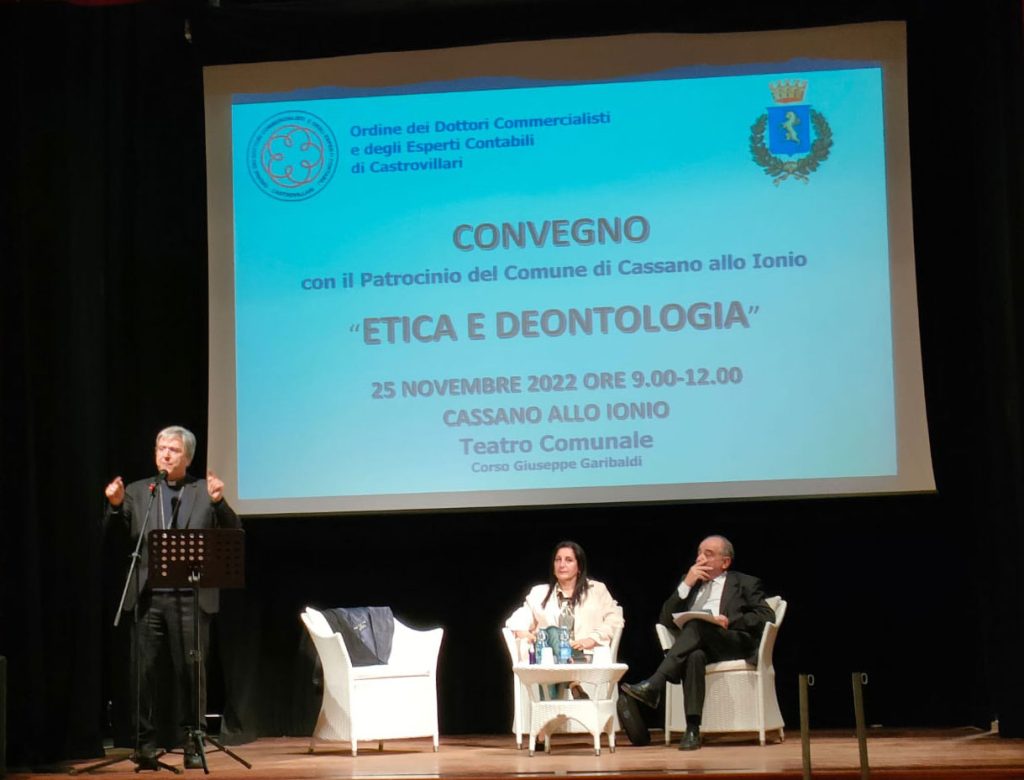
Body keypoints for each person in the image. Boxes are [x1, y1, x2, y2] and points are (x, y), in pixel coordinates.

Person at [104, 425, 242, 770]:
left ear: (188, 457)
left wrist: (219, 502)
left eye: (174, 450)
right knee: (143, 673)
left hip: (190, 597)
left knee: (192, 671)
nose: (165, 454)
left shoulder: (202, 490)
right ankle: (145, 744)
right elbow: (112, 539)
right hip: (148, 597)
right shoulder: (139, 492)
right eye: (161, 448)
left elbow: (233, 530)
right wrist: (115, 507)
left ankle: (193, 741)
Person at [620, 535, 774, 751]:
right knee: (694, 656)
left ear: (725, 562)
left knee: (697, 624)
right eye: (699, 553)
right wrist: (686, 584)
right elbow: (665, 620)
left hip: (732, 643)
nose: (700, 558)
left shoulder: (744, 582)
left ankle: (655, 683)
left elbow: (767, 616)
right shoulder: (691, 583)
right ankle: (692, 729)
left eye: (708, 554)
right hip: (699, 645)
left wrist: (730, 620)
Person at [506, 540, 624, 698]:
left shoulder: (597, 590)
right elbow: (516, 619)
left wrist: (592, 638)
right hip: (549, 660)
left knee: (553, 635)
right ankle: (574, 685)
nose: (562, 564)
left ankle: (550, 704)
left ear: (579, 567)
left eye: (568, 560)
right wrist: (523, 633)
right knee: (552, 633)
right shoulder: (539, 593)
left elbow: (615, 619)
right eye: (558, 560)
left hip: (583, 657)